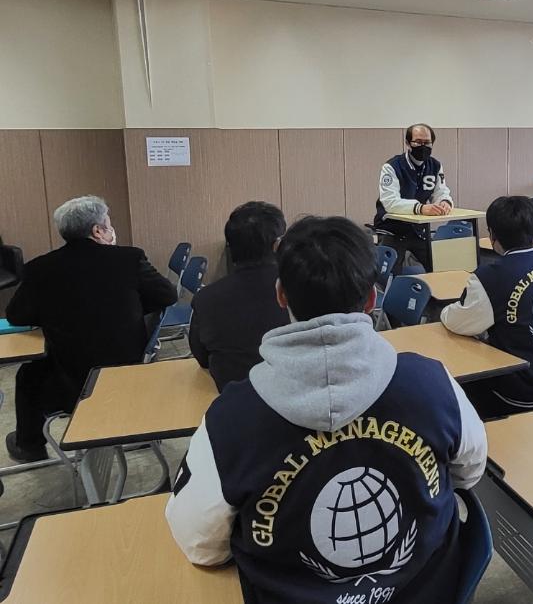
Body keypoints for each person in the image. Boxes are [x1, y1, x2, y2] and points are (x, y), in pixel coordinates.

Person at [166, 215, 487, 603]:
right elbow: (469, 471)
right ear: (371, 299)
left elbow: (200, 543)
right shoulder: (432, 383)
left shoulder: (230, 419)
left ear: (280, 295)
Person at [5, 196, 175, 462]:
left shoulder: (39, 268)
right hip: (129, 374)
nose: (111, 228)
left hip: (73, 381)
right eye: (109, 223)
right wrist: (128, 310)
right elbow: (167, 295)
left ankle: (30, 446)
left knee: (29, 374)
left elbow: (16, 315)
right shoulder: (129, 258)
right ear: (98, 230)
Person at [441, 196, 533, 419]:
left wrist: (443, 310)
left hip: (519, 392)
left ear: (492, 235)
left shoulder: (491, 277)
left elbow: (457, 322)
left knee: (454, 376)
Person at [189, 201, 289, 391]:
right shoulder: (299, 291)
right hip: (294, 399)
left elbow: (202, 359)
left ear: (230, 246)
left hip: (231, 399)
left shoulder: (205, 299)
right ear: (278, 245)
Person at [373, 124, 453, 272]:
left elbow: (441, 191)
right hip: (392, 229)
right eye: (418, 142)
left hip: (419, 230)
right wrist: (420, 208)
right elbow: (390, 202)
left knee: (439, 267)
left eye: (427, 142)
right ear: (408, 143)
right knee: (389, 274)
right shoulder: (392, 166)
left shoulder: (435, 165)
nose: (423, 146)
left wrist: (444, 202)